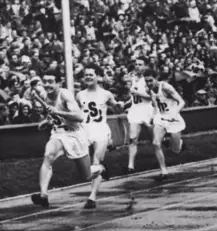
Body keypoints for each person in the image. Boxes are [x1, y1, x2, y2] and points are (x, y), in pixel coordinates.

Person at [29, 71, 104, 208]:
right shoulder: (45, 96)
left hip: (75, 136)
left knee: (86, 176)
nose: (47, 85)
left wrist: (57, 112)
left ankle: (99, 169)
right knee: (48, 156)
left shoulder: (65, 95)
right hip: (59, 134)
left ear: (59, 83)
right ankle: (43, 195)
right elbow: (52, 114)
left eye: (50, 82)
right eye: (44, 82)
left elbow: (79, 117)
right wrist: (47, 120)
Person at [76, 65, 123, 209]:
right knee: (89, 164)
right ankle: (103, 168)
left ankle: (92, 197)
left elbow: (115, 106)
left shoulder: (106, 94)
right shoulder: (80, 95)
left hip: (100, 129)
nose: (88, 77)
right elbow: (76, 112)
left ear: (98, 77)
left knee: (95, 161)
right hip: (85, 130)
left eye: (91, 74)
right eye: (86, 75)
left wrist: (119, 105)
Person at [144, 68, 187, 181]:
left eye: (150, 80)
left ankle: (180, 143)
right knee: (155, 143)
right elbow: (155, 105)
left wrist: (174, 113)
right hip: (161, 117)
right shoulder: (149, 90)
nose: (149, 83)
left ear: (156, 78)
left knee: (176, 150)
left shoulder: (166, 87)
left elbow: (182, 102)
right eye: (146, 81)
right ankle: (164, 171)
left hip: (173, 118)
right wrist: (152, 117)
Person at [126, 58, 155, 174]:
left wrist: (136, 92)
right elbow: (133, 97)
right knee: (132, 138)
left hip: (147, 109)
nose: (137, 66)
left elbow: (151, 97)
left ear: (146, 66)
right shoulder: (132, 78)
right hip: (135, 110)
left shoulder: (149, 79)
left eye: (140, 64)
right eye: (136, 64)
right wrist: (127, 102)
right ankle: (130, 165)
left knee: (155, 138)